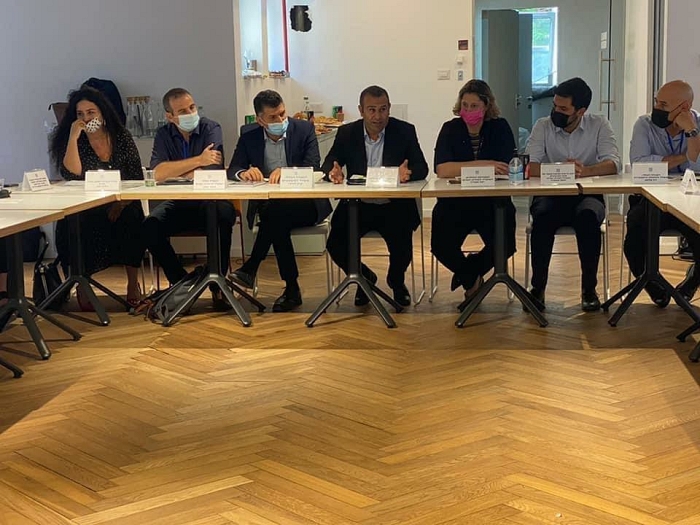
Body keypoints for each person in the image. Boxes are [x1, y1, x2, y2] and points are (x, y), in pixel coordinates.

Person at [322, 85, 429, 307]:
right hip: (357, 205)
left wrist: (408, 173)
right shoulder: (347, 133)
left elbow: (422, 167)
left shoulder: (404, 131)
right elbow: (329, 163)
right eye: (371, 110)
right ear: (361, 110)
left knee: (402, 248)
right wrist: (333, 171)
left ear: (389, 108)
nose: (377, 116)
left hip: (393, 205)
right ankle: (364, 278)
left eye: (383, 109)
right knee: (335, 244)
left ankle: (396, 281)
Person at [227, 90, 331, 312]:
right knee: (277, 219)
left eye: (282, 114)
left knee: (273, 216)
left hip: (306, 205)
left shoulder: (303, 129)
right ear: (260, 120)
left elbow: (313, 166)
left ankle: (253, 267)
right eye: (273, 117)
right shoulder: (248, 135)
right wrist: (244, 173)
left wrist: (288, 172)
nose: (280, 120)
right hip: (271, 207)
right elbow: (233, 168)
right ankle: (291, 289)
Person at [525, 77, 621, 311]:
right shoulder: (542, 126)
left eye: (563, 109)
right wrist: (561, 170)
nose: (556, 112)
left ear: (581, 111)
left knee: (588, 217)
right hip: (550, 193)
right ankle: (537, 288)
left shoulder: (599, 125)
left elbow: (613, 164)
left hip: (586, 193)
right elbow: (529, 166)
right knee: (542, 217)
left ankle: (589, 290)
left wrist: (584, 171)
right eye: (555, 106)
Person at [49, 86, 145, 309]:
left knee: (132, 218)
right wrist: (73, 138)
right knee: (73, 223)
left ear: (102, 112)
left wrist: (120, 204)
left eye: (91, 112)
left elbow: (136, 177)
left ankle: (133, 284)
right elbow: (72, 174)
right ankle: (83, 284)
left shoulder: (121, 136)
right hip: (86, 205)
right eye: (80, 114)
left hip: (120, 202)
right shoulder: (74, 140)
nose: (86, 118)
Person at [142, 88, 235, 308]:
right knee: (149, 226)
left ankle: (218, 286)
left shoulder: (211, 128)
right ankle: (182, 283)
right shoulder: (164, 134)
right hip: (179, 202)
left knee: (223, 215)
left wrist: (177, 171)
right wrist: (198, 160)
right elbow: (157, 173)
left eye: (192, 107)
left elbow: (212, 170)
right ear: (170, 116)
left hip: (210, 200)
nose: (190, 113)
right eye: (183, 111)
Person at [430, 79, 517, 304]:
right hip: (455, 203)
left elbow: (505, 166)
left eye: (474, 106)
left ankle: (468, 273)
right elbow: (442, 169)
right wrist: (485, 164)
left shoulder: (500, 127)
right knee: (440, 245)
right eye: (465, 105)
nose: (468, 110)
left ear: (486, 106)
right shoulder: (450, 128)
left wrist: (464, 167)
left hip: (493, 202)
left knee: (506, 244)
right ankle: (472, 279)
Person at [625, 80, 700, 306]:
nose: (657, 108)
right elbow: (639, 166)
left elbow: (698, 166)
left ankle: (692, 282)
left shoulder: (698, 125)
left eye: (664, 105)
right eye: (657, 102)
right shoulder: (644, 125)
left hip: (691, 201)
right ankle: (652, 284)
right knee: (634, 241)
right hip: (651, 200)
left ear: (684, 107)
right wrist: (685, 156)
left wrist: (692, 132)